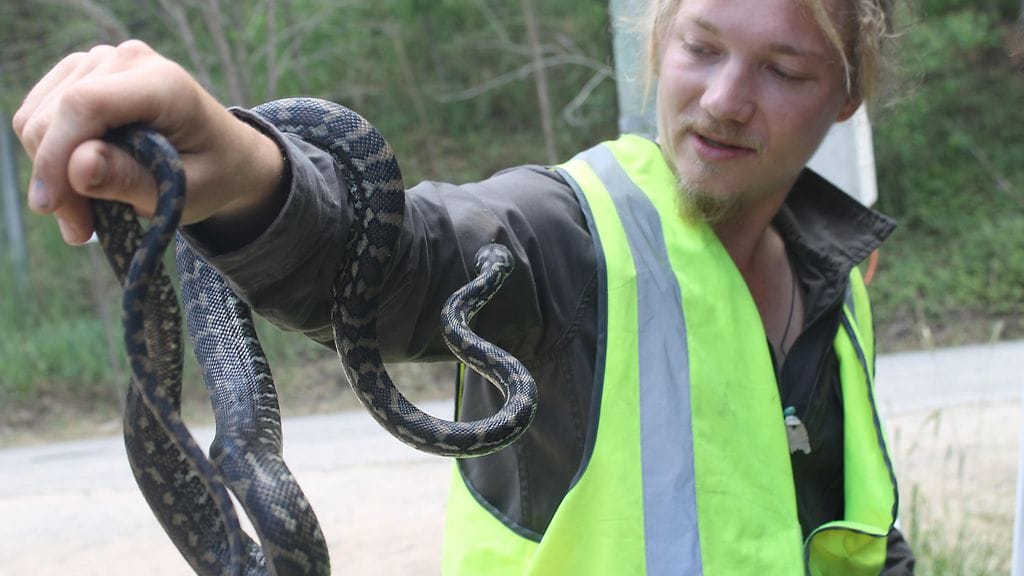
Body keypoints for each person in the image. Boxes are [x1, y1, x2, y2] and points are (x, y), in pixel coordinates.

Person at [14, 0, 916, 573]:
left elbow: (841, 525)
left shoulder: (831, 273)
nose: (725, 98)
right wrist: (247, 176)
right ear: (658, 43)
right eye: (702, 47)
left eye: (782, 69)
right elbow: (407, 254)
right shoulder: (566, 232)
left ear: (847, 94)